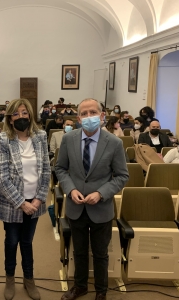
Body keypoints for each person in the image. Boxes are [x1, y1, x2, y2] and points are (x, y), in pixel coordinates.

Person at [55, 98, 129, 300]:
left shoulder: (114, 143)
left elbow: (122, 175)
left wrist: (101, 193)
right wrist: (70, 190)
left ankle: (100, 291)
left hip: (101, 208)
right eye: (84, 114)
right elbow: (60, 169)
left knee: (100, 253)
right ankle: (80, 287)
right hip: (76, 206)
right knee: (78, 251)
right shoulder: (68, 139)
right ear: (78, 118)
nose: (89, 117)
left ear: (102, 116)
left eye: (93, 112)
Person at [0, 98, 50, 300]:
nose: (21, 117)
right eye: (16, 113)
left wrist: (39, 199)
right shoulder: (2, 140)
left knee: (27, 242)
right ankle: (9, 279)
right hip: (12, 203)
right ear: (9, 117)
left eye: (24, 113)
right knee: (12, 242)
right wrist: (21, 203)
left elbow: (46, 170)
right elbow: (2, 176)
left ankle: (29, 279)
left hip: (35, 202)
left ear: (31, 115)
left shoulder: (40, 136)